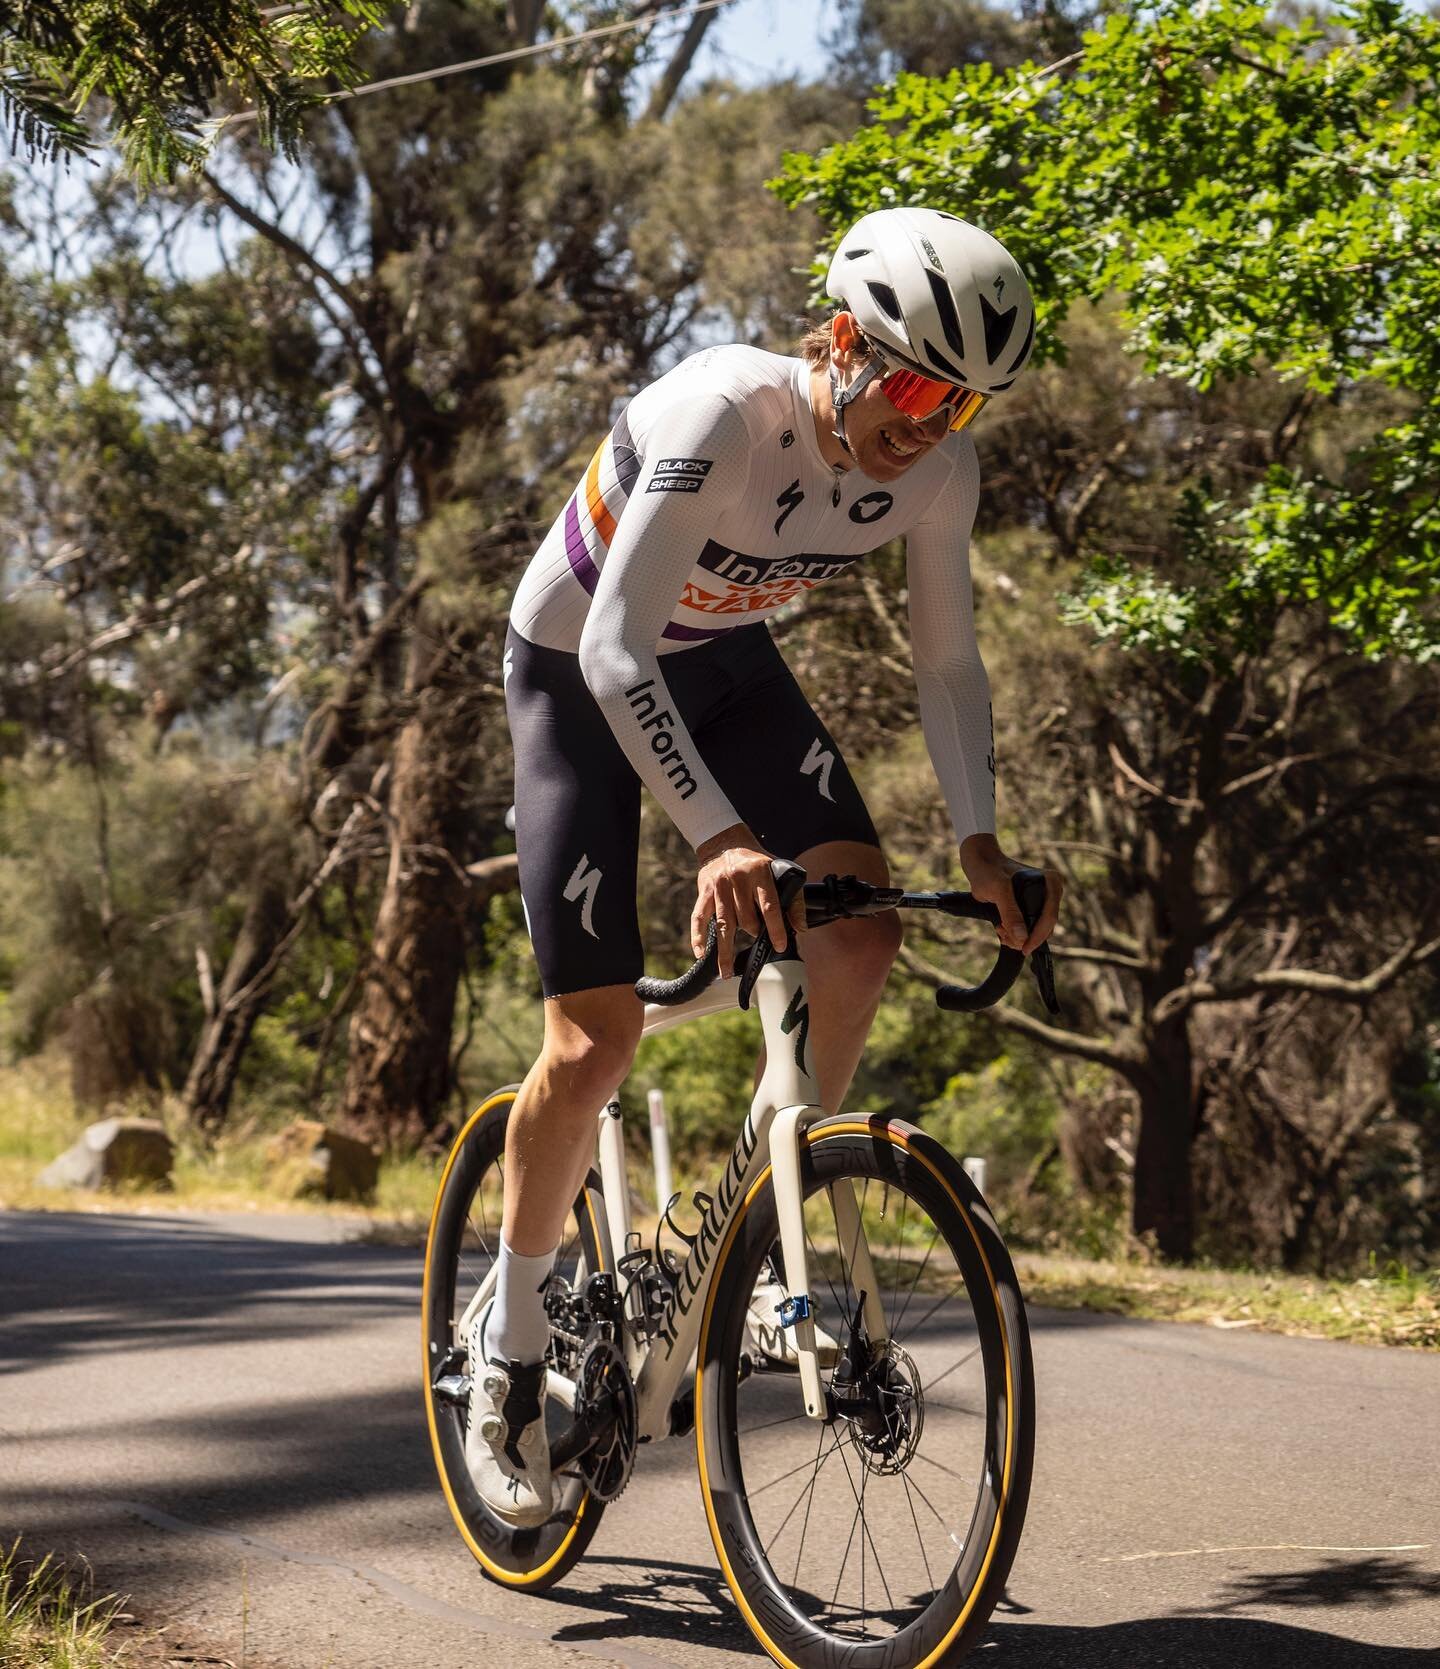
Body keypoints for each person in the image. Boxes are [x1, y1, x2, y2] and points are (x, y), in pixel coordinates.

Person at [469, 206, 1064, 1525]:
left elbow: (947, 663)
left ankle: (767, 1215)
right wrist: (720, 835)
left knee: (860, 931)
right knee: (594, 1043)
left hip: (723, 666)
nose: (927, 422)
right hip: (581, 669)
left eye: (960, 404)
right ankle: (504, 1351)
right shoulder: (721, 413)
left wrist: (978, 843)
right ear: (841, 339)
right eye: (911, 383)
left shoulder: (935, 471)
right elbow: (619, 649)